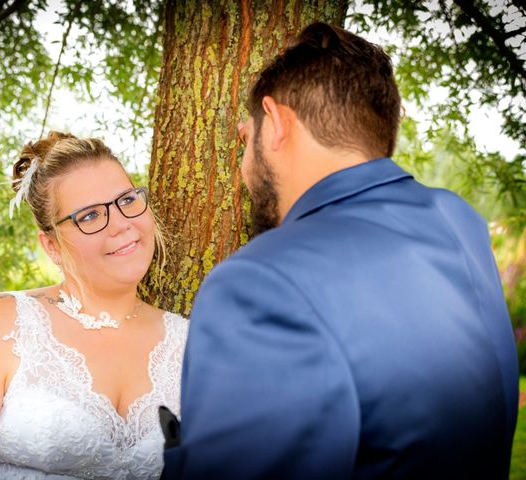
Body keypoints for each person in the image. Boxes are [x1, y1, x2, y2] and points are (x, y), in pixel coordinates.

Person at [161, 22, 519, 479]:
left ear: (274, 124)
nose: (243, 165)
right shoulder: (458, 221)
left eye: (242, 139)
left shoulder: (256, 281)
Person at [0, 132, 188, 479]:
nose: (121, 223)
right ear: (51, 245)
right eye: (89, 216)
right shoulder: (3, 326)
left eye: (126, 200)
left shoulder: (189, 341)